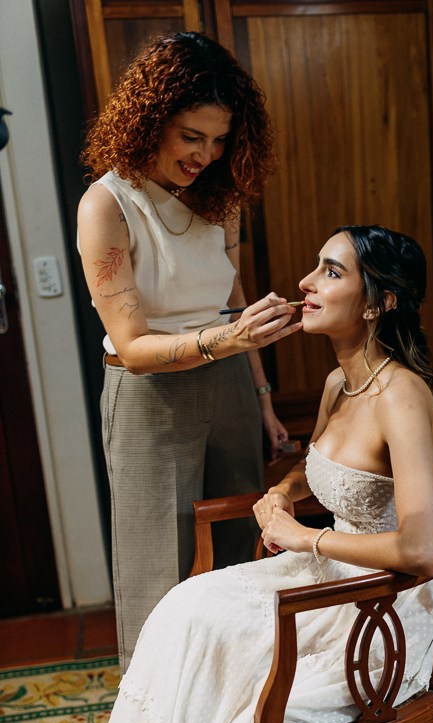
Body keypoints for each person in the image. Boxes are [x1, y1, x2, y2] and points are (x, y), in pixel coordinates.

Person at [7, 225, 433, 723]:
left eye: (329, 272)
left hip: (373, 615)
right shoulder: (338, 383)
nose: (305, 283)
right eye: (313, 267)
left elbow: (420, 550)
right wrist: (284, 489)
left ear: (377, 302)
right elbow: (330, 470)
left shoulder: (403, 395)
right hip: (321, 578)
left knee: (222, 710)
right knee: (183, 613)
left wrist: (303, 537)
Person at [78, 31, 301, 671]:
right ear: (150, 122)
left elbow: (230, 294)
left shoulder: (218, 196)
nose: (205, 155)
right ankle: (155, 716)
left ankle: (236, 701)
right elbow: (133, 346)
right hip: (149, 394)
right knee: (160, 570)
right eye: (190, 136)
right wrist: (229, 339)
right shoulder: (107, 205)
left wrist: (261, 398)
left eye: (219, 139)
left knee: (239, 552)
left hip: (229, 383)